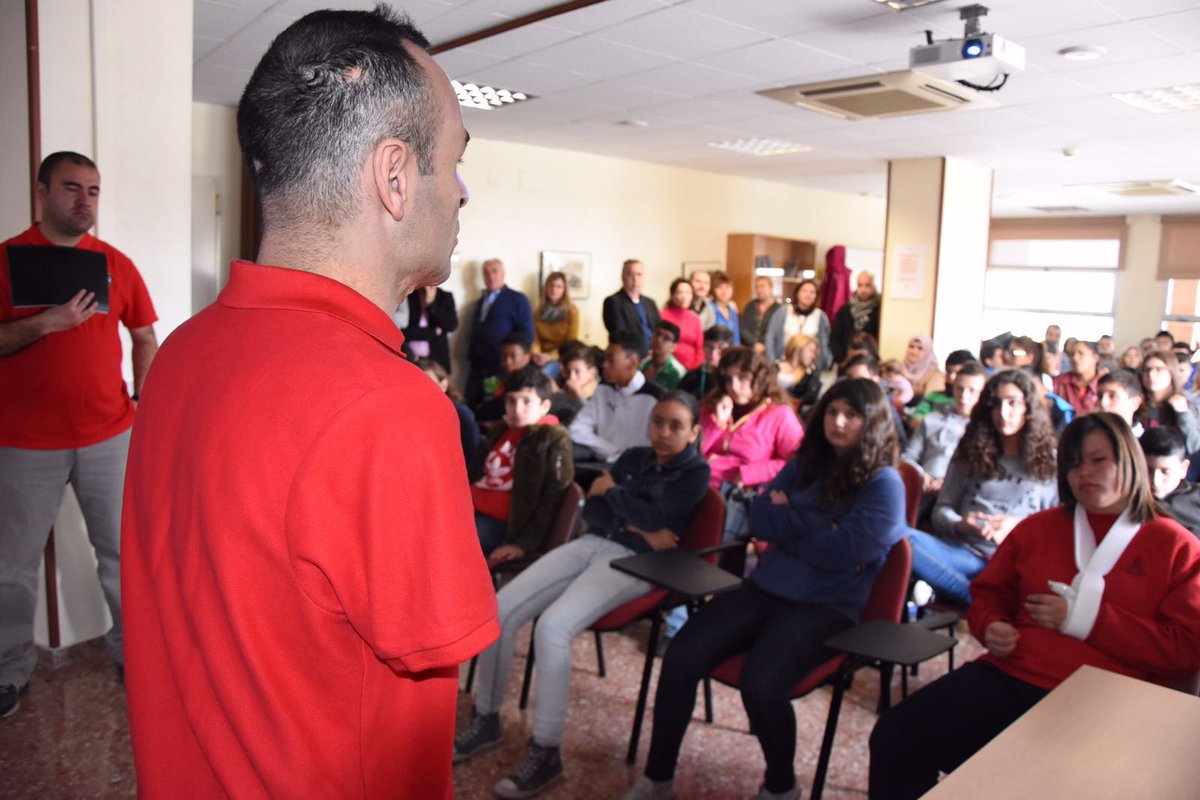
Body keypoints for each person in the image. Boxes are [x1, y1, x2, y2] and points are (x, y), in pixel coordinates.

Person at [120, 10, 499, 797]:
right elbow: (414, 733)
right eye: (454, 161)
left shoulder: (182, 352)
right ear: (396, 177)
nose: (462, 193)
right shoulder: (390, 409)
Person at [869, 413, 1200, 800]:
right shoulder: (1037, 528)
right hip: (1014, 673)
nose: (1084, 473)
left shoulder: (1176, 546)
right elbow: (988, 595)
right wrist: (990, 625)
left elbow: (1186, 649)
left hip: (1110, 698)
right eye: (1073, 464)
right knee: (896, 735)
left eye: (1098, 460)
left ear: (1129, 460)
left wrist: (1087, 620)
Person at [627, 379, 906, 800]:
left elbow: (847, 550)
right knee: (681, 656)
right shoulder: (807, 462)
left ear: (873, 423)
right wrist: (822, 525)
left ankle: (781, 787)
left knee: (761, 683)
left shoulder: (885, 484)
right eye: (832, 412)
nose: (838, 422)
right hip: (767, 586)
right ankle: (658, 778)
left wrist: (790, 522)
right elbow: (760, 519)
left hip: (828, 605)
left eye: (851, 415)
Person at [455, 392, 711, 799]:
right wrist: (639, 520)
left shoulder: (696, 472)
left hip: (638, 562)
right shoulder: (635, 456)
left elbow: (654, 515)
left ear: (694, 432)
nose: (663, 432)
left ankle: (546, 751)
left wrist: (616, 497)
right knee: (499, 609)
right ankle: (486, 718)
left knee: (553, 628)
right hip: (595, 542)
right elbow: (594, 509)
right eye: (658, 422)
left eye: (675, 426)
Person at [0, 151, 159, 717]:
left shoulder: (114, 263)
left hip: (107, 437)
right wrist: (47, 322)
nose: (84, 201)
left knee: (123, 555)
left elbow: (144, 335)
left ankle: (134, 655)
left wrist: (144, 405)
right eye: (71, 188)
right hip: (24, 442)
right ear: (42, 191)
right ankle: (8, 672)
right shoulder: (7, 260)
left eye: (93, 190)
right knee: (12, 567)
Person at [907, 370, 1059, 605]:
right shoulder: (970, 452)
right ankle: (985, 601)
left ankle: (976, 598)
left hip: (1015, 561)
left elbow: (1055, 530)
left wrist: (1018, 528)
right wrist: (961, 523)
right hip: (965, 552)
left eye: (1013, 403)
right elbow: (941, 511)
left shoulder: (1049, 462)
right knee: (902, 538)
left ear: (1028, 408)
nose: (1003, 413)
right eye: (996, 404)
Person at [470, 364, 574, 562]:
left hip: (501, 523)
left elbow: (553, 497)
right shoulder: (501, 429)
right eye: (511, 401)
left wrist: (523, 544)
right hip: (468, 507)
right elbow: (474, 472)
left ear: (545, 406)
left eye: (527, 401)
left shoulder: (552, 437)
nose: (517, 409)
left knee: (446, 542)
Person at [568, 333, 665, 464]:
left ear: (632, 363)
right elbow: (576, 429)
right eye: (605, 359)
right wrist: (610, 450)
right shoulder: (603, 389)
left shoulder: (655, 399)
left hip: (636, 467)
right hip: (599, 461)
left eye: (611, 360)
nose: (604, 365)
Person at [903, 361, 986, 501]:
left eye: (972, 390)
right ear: (953, 388)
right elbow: (908, 457)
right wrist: (921, 475)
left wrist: (948, 484)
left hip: (962, 495)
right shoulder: (931, 420)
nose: (964, 396)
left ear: (982, 394)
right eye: (960, 388)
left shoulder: (985, 429)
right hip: (924, 487)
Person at [467, 258, 534, 407]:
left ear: (503, 274)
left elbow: (526, 336)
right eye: (486, 273)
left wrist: (515, 360)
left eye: (494, 271)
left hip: (500, 364)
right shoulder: (481, 301)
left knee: (494, 402)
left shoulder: (517, 299)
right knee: (474, 402)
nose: (490, 276)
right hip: (478, 364)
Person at [419, 357, 481, 466]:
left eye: (429, 382)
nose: (422, 389)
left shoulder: (461, 413)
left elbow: (472, 452)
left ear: (444, 385)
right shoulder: (418, 413)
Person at [1138, 350, 1200, 455]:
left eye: (1158, 369)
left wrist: (1183, 414)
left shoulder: (1187, 405)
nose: (1151, 374)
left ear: (1172, 372)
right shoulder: (1137, 404)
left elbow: (1195, 447)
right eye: (1147, 370)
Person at [1141, 427, 1200, 536]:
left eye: (1165, 472)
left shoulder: (1197, 498)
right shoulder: (1124, 502)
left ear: (1183, 468)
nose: (1155, 481)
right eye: (1148, 470)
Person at [773, 279, 831, 373]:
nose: (808, 295)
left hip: (809, 367)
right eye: (804, 291)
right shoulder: (784, 311)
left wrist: (820, 366)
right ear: (797, 293)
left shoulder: (821, 316)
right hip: (783, 364)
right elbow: (771, 337)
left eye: (812, 292)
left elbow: (824, 344)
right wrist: (773, 363)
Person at [476, 332, 534, 425]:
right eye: (504, 356)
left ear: (526, 357)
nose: (508, 361)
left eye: (513, 356)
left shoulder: (533, 384)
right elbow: (480, 405)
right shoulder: (493, 378)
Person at [603, 259, 660, 352]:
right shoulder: (613, 302)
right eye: (630, 274)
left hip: (652, 354)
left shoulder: (650, 303)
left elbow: (658, 329)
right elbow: (618, 333)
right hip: (628, 354)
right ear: (623, 277)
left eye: (639, 274)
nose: (635, 279)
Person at [907, 350, 977, 423]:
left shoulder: (969, 403)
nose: (951, 377)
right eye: (948, 371)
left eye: (957, 373)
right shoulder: (932, 396)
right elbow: (917, 419)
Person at [401, 283, 457, 373]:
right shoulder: (409, 295)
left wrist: (431, 305)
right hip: (410, 357)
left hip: (436, 360)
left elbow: (451, 325)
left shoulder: (445, 296)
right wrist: (433, 332)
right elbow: (403, 332)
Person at [830, 271, 880, 366]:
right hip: (846, 363)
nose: (863, 289)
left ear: (873, 286)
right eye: (860, 285)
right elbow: (834, 338)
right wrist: (841, 360)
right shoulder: (845, 310)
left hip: (869, 364)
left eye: (867, 285)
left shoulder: (879, 311)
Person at [532, 270, 578, 371]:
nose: (554, 289)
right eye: (551, 285)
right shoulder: (538, 312)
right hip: (540, 355)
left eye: (559, 287)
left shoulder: (572, 312)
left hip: (562, 356)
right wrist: (537, 354)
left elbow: (571, 343)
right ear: (546, 288)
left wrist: (551, 356)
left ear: (564, 290)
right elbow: (535, 340)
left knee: (544, 373)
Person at [659, 278, 704, 371]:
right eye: (679, 292)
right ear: (672, 295)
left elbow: (699, 346)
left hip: (692, 368)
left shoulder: (695, 319)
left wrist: (695, 366)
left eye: (688, 293)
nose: (684, 297)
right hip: (669, 367)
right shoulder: (662, 316)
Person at [678, 325, 734, 400]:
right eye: (709, 347)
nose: (713, 353)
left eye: (720, 348)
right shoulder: (692, 377)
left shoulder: (732, 379)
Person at [776, 333, 822, 419]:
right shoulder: (775, 367)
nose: (813, 356)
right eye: (810, 351)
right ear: (799, 348)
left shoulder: (810, 376)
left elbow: (809, 398)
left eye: (815, 353)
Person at [1052, 339, 1103, 415]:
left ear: (1095, 358)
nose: (1074, 358)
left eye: (1081, 354)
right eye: (1072, 354)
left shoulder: (1104, 384)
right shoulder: (1058, 382)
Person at [741, 276, 783, 358]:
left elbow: (778, 333)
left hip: (770, 352)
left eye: (762, 286)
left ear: (771, 287)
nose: (759, 290)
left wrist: (765, 346)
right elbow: (743, 328)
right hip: (750, 349)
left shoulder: (778, 309)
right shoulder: (750, 306)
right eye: (757, 287)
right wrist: (754, 343)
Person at [642, 319, 687, 390]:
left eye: (666, 338)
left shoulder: (678, 373)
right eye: (657, 334)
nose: (659, 339)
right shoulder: (643, 364)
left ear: (673, 347)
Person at [1096, 369, 1144, 436]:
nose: (1103, 403)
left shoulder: (1145, 441)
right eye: (1100, 396)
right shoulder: (1088, 437)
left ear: (1134, 403)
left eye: (1112, 396)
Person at [900, 334, 944, 400]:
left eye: (920, 348)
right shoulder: (898, 368)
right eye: (911, 346)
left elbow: (931, 399)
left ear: (927, 351)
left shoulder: (935, 374)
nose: (914, 351)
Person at [708, 271, 740, 345]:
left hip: (730, 350)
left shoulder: (732, 311)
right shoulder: (710, 308)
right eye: (719, 288)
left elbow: (736, 338)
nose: (724, 291)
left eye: (727, 287)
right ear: (713, 290)